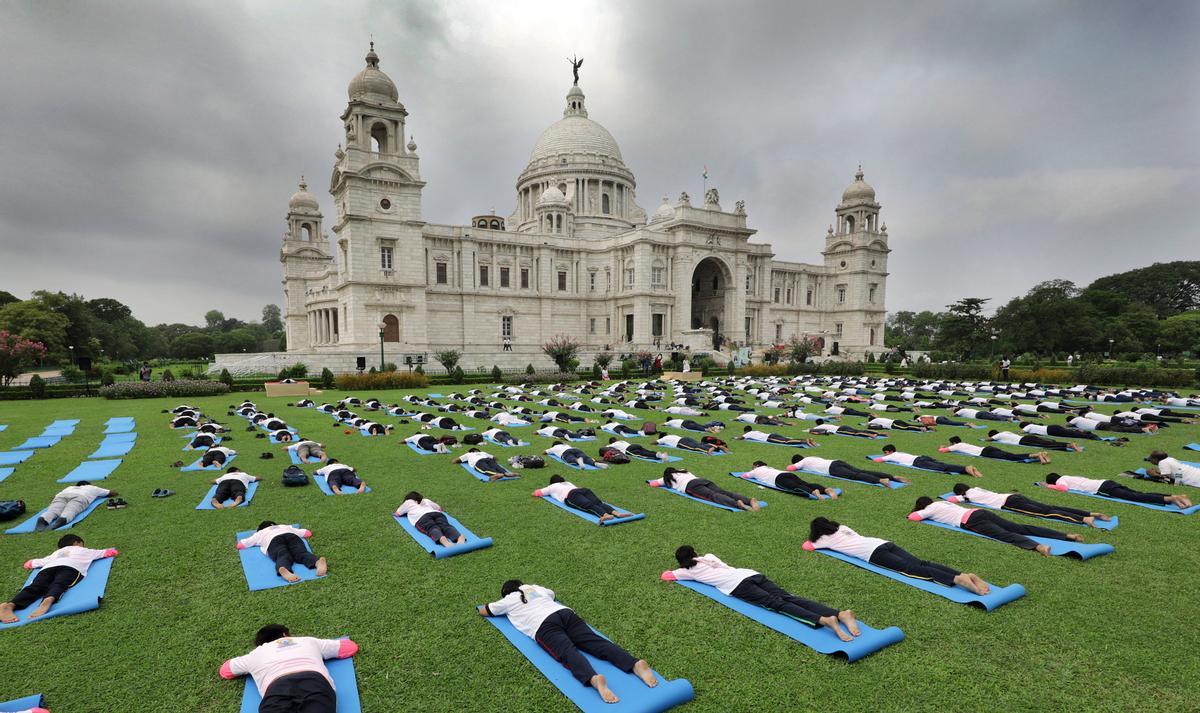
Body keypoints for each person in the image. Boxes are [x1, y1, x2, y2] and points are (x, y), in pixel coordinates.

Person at [478, 580, 658, 704]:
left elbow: (485, 610)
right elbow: (552, 594)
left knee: (568, 652)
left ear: (506, 592)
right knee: (597, 643)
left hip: (544, 626)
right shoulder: (534, 588)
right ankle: (635, 664)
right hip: (565, 614)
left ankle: (594, 679)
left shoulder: (507, 600)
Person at [662, 545, 859, 641]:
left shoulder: (685, 571)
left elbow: (666, 576)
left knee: (778, 605)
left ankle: (824, 620)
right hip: (750, 574)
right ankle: (840, 613)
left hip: (739, 586)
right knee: (789, 597)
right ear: (695, 553)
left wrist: (680, 567)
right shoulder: (709, 557)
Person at [807, 517, 990, 595]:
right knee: (921, 562)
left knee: (910, 569)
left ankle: (957, 579)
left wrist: (814, 537)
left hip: (873, 553)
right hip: (882, 542)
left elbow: (807, 546)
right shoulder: (842, 527)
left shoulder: (823, 539)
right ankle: (965, 574)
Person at [220, 624, 359, 713]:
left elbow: (226, 670)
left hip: (276, 688)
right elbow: (349, 647)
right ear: (285, 634)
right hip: (314, 682)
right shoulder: (307, 640)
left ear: (260, 644)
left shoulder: (255, 654)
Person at [0, 534, 118, 623]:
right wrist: (111, 551)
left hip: (48, 568)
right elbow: (102, 553)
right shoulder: (84, 550)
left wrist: (30, 563)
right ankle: (48, 600)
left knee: (35, 587)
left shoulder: (56, 553)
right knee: (59, 584)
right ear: (78, 543)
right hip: (71, 567)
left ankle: (10, 605)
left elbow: (42, 561)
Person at [908, 496, 1082, 555]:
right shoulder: (942, 503)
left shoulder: (929, 509)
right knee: (1019, 527)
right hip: (979, 512)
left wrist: (914, 512)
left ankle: (1039, 547)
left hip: (970, 521)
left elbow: (913, 517)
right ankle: (1065, 535)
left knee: (1005, 535)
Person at [948, 483, 1111, 527]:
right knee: (1049, 507)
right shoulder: (976, 488)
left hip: (1008, 502)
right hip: (1012, 496)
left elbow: (952, 501)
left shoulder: (967, 495)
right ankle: (1090, 513)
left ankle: (1083, 519)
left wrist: (957, 496)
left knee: (1045, 513)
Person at [237, 521, 328, 583]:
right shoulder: (285, 526)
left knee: (282, 555)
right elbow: (307, 533)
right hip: (291, 536)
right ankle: (317, 562)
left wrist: (252, 536)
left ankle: (285, 569)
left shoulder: (260, 533)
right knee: (301, 553)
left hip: (273, 541)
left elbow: (242, 545)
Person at [1044, 473, 1193, 508]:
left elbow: (1062, 488)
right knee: (1138, 494)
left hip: (1101, 488)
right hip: (1105, 482)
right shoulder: (1068, 476)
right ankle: (1174, 497)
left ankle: (1173, 498)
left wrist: (1049, 486)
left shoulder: (1059, 481)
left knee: (1136, 497)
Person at [650, 467, 760, 511]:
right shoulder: (683, 471)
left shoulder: (666, 478)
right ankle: (749, 500)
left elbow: (653, 484)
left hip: (691, 486)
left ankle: (736, 504)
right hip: (702, 480)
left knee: (713, 496)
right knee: (723, 492)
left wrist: (663, 480)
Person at [535, 475, 635, 522]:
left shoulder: (551, 486)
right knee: (598, 503)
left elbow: (537, 493)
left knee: (589, 506)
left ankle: (605, 515)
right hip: (583, 490)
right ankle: (617, 513)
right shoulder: (567, 482)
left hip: (571, 495)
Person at [34, 482, 117, 531]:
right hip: (80, 497)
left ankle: (43, 519)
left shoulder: (69, 487)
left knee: (53, 511)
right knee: (71, 510)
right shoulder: (92, 487)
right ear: (88, 484)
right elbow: (112, 493)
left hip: (62, 496)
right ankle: (61, 521)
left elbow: (54, 497)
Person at [789, 454, 910, 488]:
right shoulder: (812, 457)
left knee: (855, 475)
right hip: (836, 461)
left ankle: (880, 480)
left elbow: (790, 468)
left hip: (832, 469)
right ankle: (892, 477)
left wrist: (795, 465)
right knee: (861, 470)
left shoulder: (802, 462)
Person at [396, 491, 466, 546]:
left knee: (432, 528)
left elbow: (398, 513)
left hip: (421, 517)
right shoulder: (426, 500)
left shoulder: (408, 502)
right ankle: (459, 537)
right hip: (437, 513)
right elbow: (439, 508)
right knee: (446, 526)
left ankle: (442, 539)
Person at [742, 461, 838, 499]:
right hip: (787, 474)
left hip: (778, 479)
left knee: (795, 487)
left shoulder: (755, 471)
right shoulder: (769, 468)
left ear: (757, 466)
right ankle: (825, 489)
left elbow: (745, 475)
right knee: (805, 483)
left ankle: (814, 493)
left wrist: (750, 472)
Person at [874, 445, 982, 477]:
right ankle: (966, 470)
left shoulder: (890, 456)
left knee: (942, 467)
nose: (885, 455)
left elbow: (877, 460)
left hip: (918, 462)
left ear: (889, 451)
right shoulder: (900, 452)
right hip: (922, 457)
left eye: (885, 452)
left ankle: (965, 468)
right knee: (942, 464)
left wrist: (881, 458)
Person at [941, 436, 1049, 464]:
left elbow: (943, 451)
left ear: (954, 443)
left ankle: (1038, 455)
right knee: (1011, 455)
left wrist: (942, 447)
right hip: (988, 448)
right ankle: (1040, 456)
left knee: (1011, 457)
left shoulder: (957, 446)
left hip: (985, 452)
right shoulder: (963, 443)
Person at [985, 429, 1082, 453]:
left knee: (1047, 445)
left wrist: (984, 439)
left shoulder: (997, 435)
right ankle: (1069, 445)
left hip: (1023, 441)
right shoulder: (1005, 432)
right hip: (1028, 437)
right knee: (1048, 442)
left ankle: (1069, 445)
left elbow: (989, 439)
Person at [735, 426, 817, 447]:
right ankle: (807, 439)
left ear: (746, 431)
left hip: (769, 438)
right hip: (772, 434)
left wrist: (736, 438)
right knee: (787, 439)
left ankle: (804, 441)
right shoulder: (755, 431)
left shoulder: (747, 434)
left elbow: (740, 438)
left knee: (786, 442)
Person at [605, 437, 669, 462]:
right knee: (646, 451)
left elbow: (606, 447)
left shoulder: (613, 444)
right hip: (634, 445)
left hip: (628, 450)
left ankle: (658, 456)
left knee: (641, 454)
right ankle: (658, 454)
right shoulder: (622, 441)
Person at [656, 433, 726, 455]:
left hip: (681, 442)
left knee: (695, 447)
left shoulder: (663, 439)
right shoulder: (671, 435)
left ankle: (708, 450)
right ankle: (718, 448)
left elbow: (655, 442)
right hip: (686, 438)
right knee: (699, 444)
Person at [808, 422, 882, 439]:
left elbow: (812, 431)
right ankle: (878, 433)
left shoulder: (819, 427)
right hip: (843, 426)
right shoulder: (825, 424)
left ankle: (871, 435)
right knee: (858, 430)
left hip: (840, 429)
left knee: (855, 433)